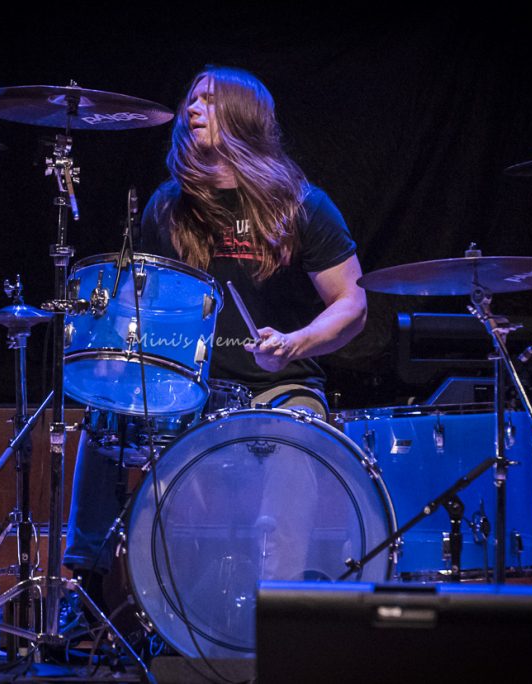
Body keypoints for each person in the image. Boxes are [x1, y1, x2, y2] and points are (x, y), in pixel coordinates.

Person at [63, 66, 367, 581]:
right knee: (103, 423)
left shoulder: (302, 205)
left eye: (207, 100)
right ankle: (85, 587)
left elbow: (352, 303)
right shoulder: (168, 205)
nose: (192, 108)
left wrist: (295, 343)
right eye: (191, 100)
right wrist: (116, 352)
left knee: (295, 443)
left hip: (278, 385)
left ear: (243, 114)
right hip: (186, 388)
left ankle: (279, 599)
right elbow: (140, 300)